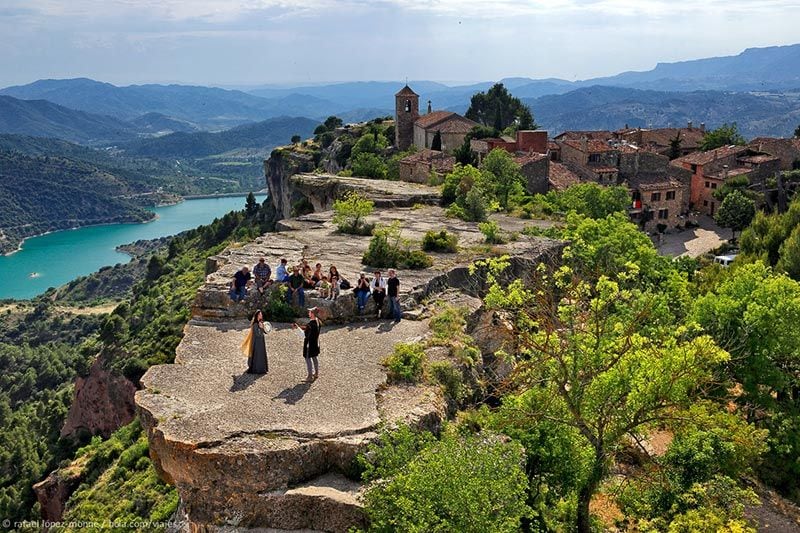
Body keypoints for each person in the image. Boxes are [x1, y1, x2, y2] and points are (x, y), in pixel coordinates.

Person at [293, 307, 321, 382]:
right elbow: (311, 331)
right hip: (315, 343)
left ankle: (309, 376)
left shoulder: (310, 325)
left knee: (308, 358)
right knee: (314, 357)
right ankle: (316, 373)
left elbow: (304, 335)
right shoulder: (318, 321)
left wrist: (297, 328)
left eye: (309, 312)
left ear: (312, 314)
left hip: (309, 345)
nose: (308, 313)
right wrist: (303, 328)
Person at [240, 310, 270, 374]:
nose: (260, 316)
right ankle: (257, 369)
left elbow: (265, 332)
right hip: (257, 343)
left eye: (261, 314)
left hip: (261, 341)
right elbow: (258, 334)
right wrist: (261, 328)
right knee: (257, 355)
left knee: (262, 354)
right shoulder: (255, 324)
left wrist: (265, 328)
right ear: (256, 316)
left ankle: (262, 369)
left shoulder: (261, 322)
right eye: (259, 315)